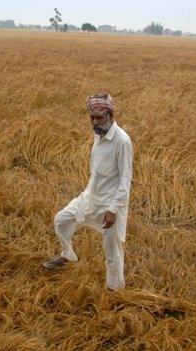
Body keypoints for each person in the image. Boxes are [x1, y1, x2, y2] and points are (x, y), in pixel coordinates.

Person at [42, 92, 134, 291]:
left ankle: (115, 289)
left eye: (99, 118)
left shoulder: (122, 141)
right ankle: (67, 254)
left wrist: (113, 210)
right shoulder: (98, 134)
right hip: (90, 197)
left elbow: (125, 181)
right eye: (92, 118)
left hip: (110, 204)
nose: (95, 122)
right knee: (61, 219)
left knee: (112, 251)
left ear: (111, 115)